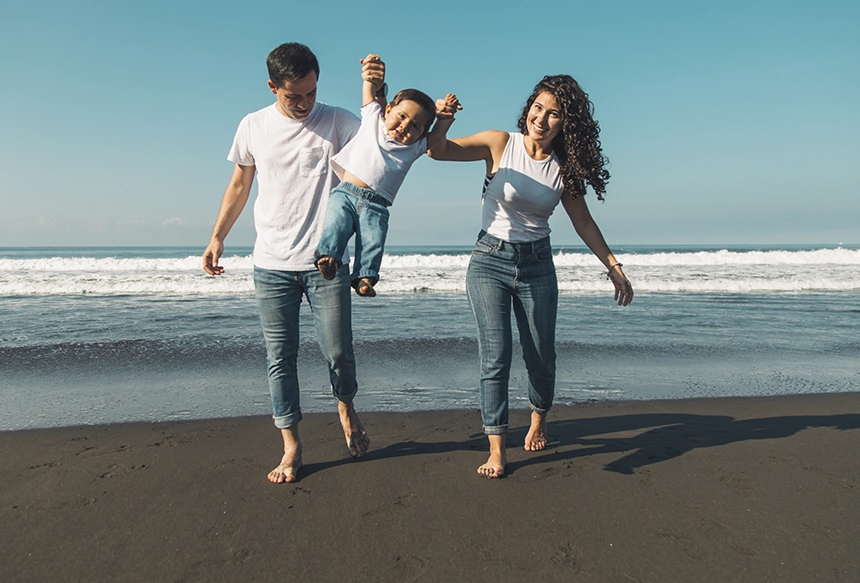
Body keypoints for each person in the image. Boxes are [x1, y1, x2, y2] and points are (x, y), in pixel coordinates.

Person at [427, 75, 634, 479]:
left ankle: (538, 418)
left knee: (540, 355)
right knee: (496, 355)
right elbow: (438, 150)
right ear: (528, 109)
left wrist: (613, 266)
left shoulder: (564, 169)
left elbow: (583, 222)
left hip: (537, 263)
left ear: (565, 122)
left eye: (553, 113)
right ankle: (497, 448)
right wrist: (444, 119)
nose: (541, 118)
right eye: (538, 107)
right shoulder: (500, 143)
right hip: (489, 260)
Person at [202, 43, 385, 483]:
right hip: (271, 264)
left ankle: (346, 407)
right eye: (293, 97)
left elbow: (380, 140)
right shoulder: (252, 125)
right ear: (272, 87)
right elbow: (239, 185)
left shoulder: (338, 121)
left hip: (326, 262)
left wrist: (377, 88)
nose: (305, 104)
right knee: (280, 357)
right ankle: (291, 445)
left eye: (311, 93)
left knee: (338, 352)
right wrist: (217, 236)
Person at [314, 54, 458, 297]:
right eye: (401, 116)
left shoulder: (416, 147)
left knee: (373, 241)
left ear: (422, 133)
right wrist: (370, 74)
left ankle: (364, 279)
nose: (404, 126)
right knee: (336, 225)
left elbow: (439, 131)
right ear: (388, 109)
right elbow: (369, 91)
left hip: (377, 205)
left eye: (415, 126)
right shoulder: (373, 119)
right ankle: (328, 258)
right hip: (345, 193)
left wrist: (446, 114)